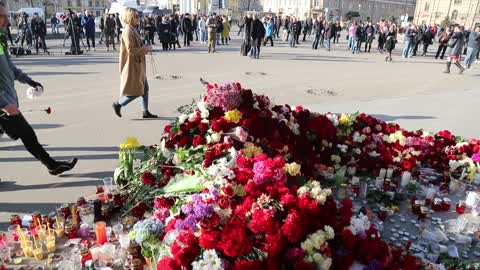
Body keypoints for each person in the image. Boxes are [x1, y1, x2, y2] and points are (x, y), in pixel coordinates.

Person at [0, 2, 78, 175]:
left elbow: (11, 69)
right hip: (4, 105)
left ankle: (52, 165)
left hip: (7, 101)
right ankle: (52, 165)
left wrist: (30, 81)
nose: (7, 20)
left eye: (7, 16)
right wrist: (5, 104)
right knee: (28, 134)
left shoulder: (1, 41)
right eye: (2, 17)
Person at [112, 8, 157, 119]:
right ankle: (118, 104)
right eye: (136, 16)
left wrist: (144, 46)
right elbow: (131, 50)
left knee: (145, 88)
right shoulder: (127, 31)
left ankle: (145, 111)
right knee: (137, 90)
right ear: (130, 17)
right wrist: (145, 49)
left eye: (138, 16)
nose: (138, 18)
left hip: (138, 64)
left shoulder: (133, 29)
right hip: (133, 65)